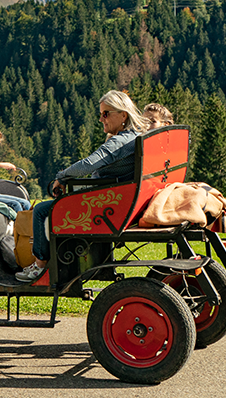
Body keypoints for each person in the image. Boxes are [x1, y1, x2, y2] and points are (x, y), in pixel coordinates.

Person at [16, 90, 149, 282]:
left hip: (104, 203)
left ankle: (39, 266)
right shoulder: (135, 137)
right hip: (118, 199)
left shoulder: (119, 142)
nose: (101, 119)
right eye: (100, 114)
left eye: (106, 114)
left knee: (41, 210)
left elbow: (87, 165)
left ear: (123, 115)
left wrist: (61, 177)